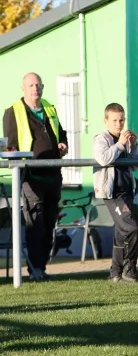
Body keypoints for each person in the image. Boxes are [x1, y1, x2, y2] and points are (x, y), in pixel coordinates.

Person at [3, 72, 68, 281]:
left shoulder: (49, 107)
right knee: (35, 223)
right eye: (31, 85)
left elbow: (62, 133)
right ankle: (35, 270)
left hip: (53, 175)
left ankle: (41, 267)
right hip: (31, 177)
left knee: (49, 223)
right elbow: (11, 146)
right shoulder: (13, 111)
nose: (35, 89)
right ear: (23, 88)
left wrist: (62, 144)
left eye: (38, 85)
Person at [93, 103, 138, 283]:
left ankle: (115, 274)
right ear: (106, 121)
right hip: (112, 193)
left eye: (121, 120)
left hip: (127, 190)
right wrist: (120, 145)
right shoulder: (101, 139)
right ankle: (130, 269)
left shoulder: (125, 139)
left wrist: (133, 146)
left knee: (121, 233)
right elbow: (103, 158)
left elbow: (135, 165)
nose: (119, 124)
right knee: (132, 229)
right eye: (114, 120)